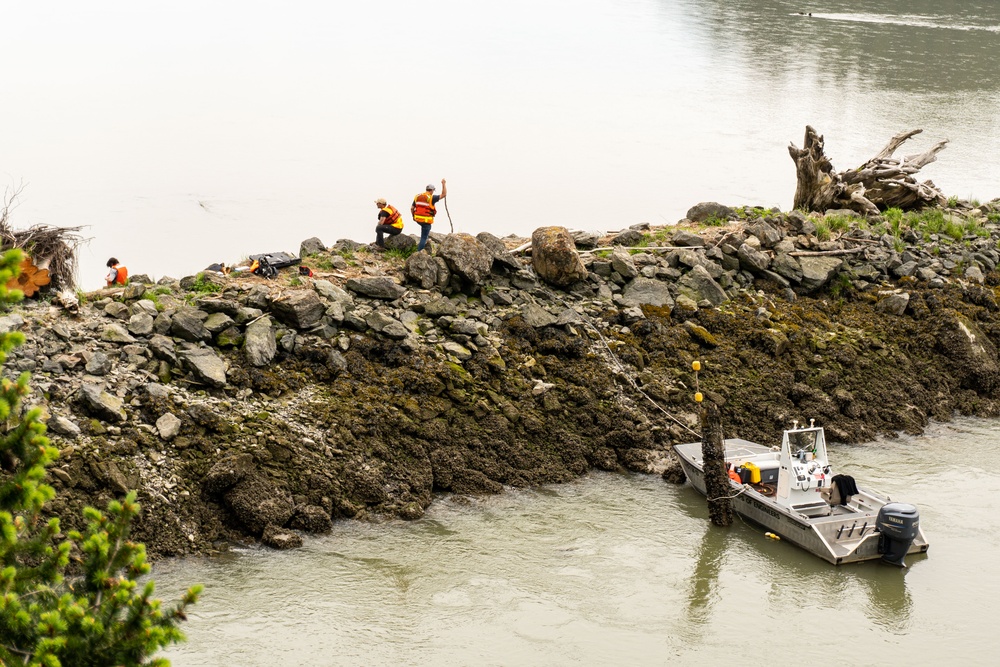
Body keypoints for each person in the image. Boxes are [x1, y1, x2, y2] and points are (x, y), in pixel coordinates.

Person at [411, 178, 447, 251]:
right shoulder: (431, 198)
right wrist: (443, 184)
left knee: (424, 233)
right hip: (426, 220)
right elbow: (444, 194)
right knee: (423, 237)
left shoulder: (417, 196)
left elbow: (412, 208)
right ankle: (419, 253)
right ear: (432, 190)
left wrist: (413, 217)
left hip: (418, 219)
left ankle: (426, 248)